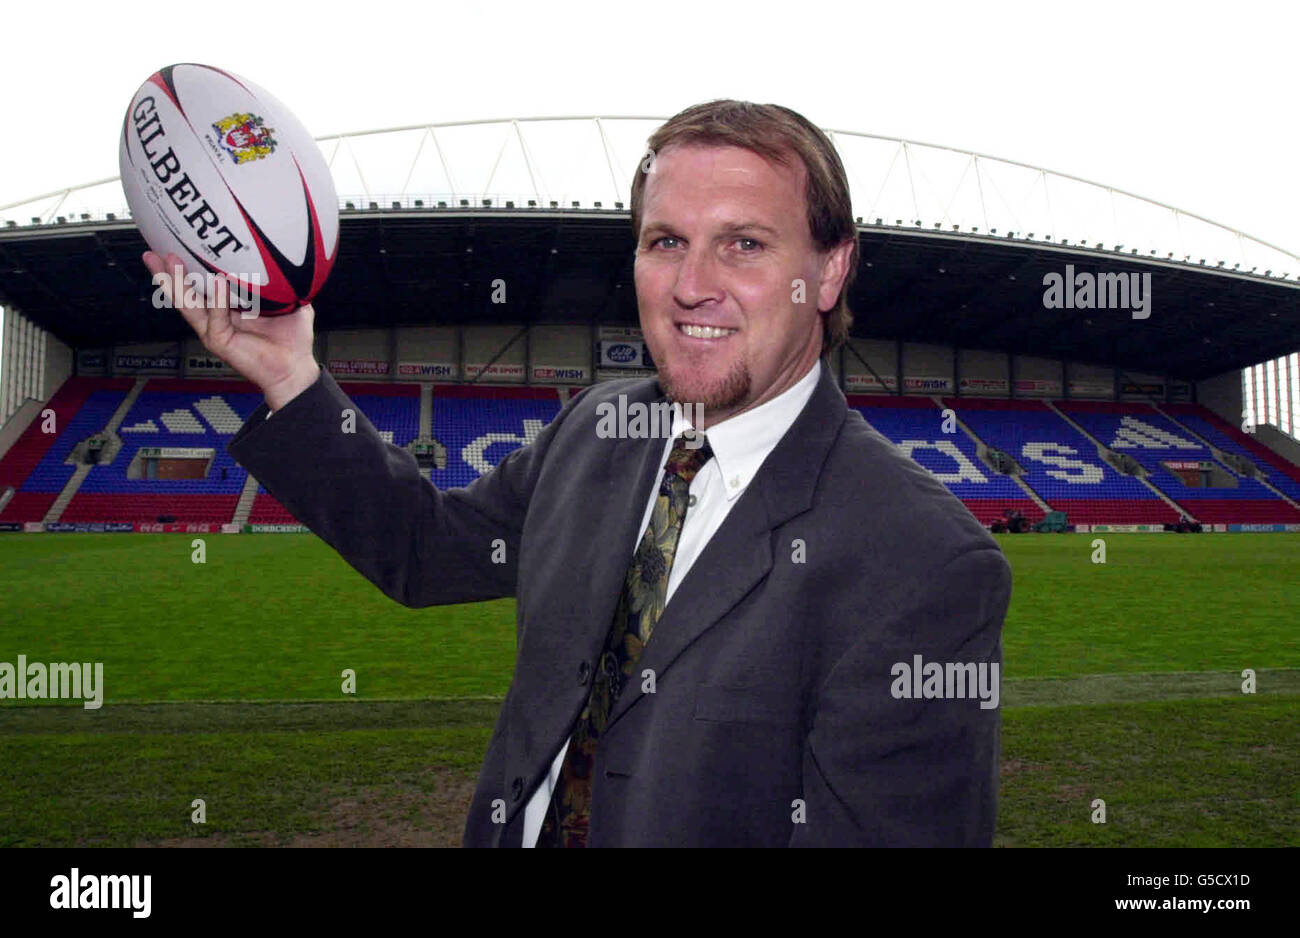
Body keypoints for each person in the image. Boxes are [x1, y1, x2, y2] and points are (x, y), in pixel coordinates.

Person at [144, 99, 1012, 847]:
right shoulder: (598, 429)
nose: (692, 285)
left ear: (828, 270)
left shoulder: (925, 563)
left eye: (744, 243)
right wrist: (291, 376)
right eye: (665, 241)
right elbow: (425, 550)